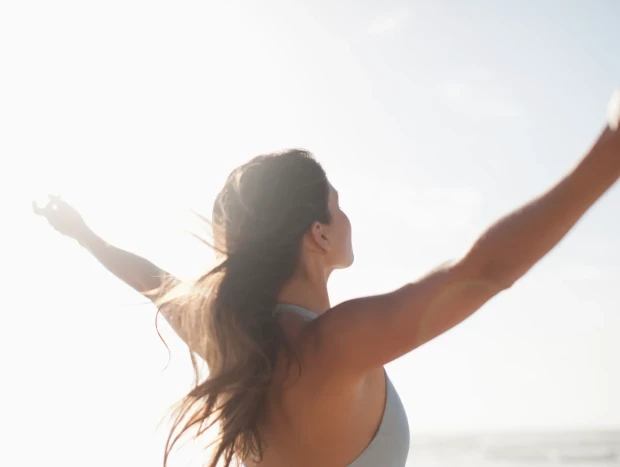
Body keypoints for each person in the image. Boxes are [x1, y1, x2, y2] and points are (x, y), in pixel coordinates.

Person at [34, 89, 620, 467]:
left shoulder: (234, 339)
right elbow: (482, 273)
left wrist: (87, 237)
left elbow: (151, 280)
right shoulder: (328, 346)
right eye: (338, 205)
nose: (347, 217)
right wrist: (608, 153)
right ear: (317, 233)